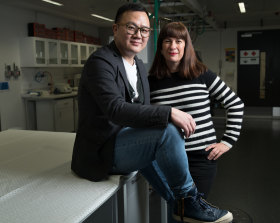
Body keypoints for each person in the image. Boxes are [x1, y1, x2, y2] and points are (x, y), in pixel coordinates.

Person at [71, 3, 233, 223]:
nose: (139, 34)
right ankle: (188, 200)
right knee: (167, 130)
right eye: (131, 27)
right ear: (115, 29)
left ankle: (182, 206)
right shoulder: (101, 62)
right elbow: (115, 109)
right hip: (103, 149)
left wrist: (227, 141)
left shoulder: (137, 65)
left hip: (131, 141)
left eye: (144, 30)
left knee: (163, 136)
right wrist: (169, 112)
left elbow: (142, 112)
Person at [149, 22, 244, 199]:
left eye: (179, 41)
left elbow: (235, 103)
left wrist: (227, 141)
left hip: (201, 159)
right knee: (173, 211)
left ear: (186, 46)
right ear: (161, 46)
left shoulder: (201, 74)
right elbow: (146, 117)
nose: (173, 46)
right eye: (168, 41)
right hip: (166, 159)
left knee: (195, 209)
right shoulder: (151, 82)